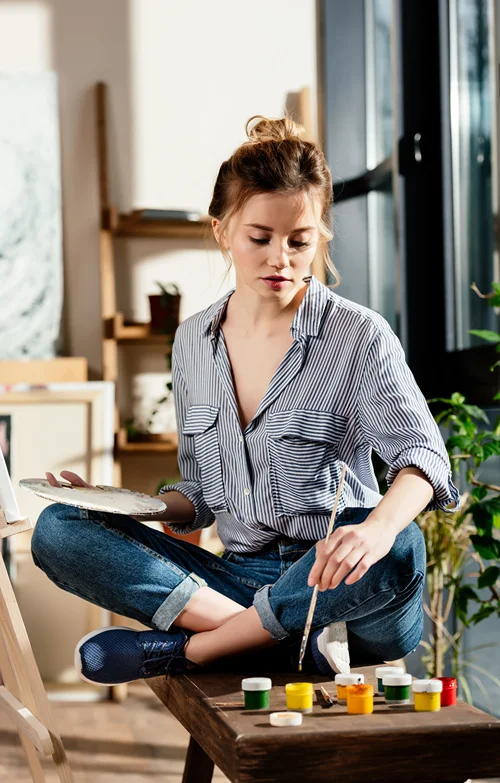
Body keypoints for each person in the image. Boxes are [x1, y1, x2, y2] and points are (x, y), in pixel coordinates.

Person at [31, 115, 460, 686]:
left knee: (401, 540)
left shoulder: (359, 334)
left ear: (319, 238)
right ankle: (270, 642)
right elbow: (205, 496)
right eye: (260, 238)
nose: (280, 258)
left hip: (346, 590)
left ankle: (197, 650)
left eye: (300, 241)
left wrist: (377, 529)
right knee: (58, 528)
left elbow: (426, 461)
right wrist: (131, 506)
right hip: (239, 580)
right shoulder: (192, 342)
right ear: (222, 232)